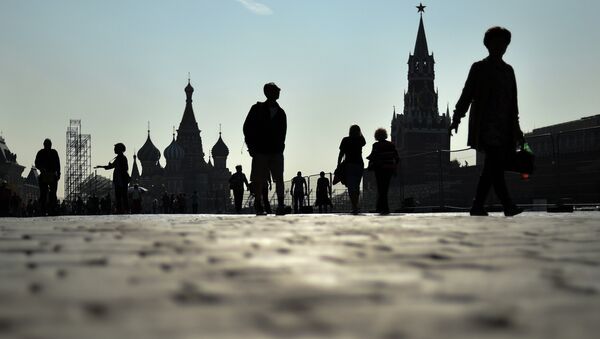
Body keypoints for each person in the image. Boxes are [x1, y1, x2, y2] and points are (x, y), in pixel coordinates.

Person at [449, 26, 524, 217]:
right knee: (494, 163)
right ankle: (507, 205)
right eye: (498, 42)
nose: (502, 46)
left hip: (505, 127)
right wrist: (457, 117)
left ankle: (478, 205)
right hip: (486, 126)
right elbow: (467, 94)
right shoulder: (479, 68)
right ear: (488, 44)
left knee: (493, 166)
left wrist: (517, 129)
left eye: (505, 43)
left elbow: (513, 103)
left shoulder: (509, 71)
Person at [243, 82, 287, 215]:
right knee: (258, 179)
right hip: (260, 150)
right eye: (276, 91)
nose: (278, 93)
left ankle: (280, 204)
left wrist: (281, 148)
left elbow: (283, 133)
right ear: (269, 93)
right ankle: (258, 203)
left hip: (275, 151)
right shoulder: (257, 109)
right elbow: (247, 128)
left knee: (279, 178)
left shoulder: (280, 113)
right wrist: (251, 146)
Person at [366, 128, 399, 215]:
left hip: (380, 169)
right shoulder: (391, 145)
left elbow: (373, 156)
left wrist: (369, 161)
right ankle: (381, 207)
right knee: (385, 188)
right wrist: (394, 167)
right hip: (389, 169)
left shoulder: (376, 145)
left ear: (376, 136)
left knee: (381, 189)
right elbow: (397, 157)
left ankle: (384, 208)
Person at [338, 125, 366, 214]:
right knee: (356, 186)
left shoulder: (345, 140)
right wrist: (360, 133)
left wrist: (338, 164)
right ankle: (355, 205)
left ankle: (354, 206)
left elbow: (341, 153)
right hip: (359, 164)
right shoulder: (360, 140)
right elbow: (364, 141)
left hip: (349, 165)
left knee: (351, 186)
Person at [95, 143, 130, 214]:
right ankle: (121, 210)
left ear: (119, 149)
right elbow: (112, 166)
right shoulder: (119, 158)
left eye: (115, 148)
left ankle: (125, 209)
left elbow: (125, 168)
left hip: (122, 179)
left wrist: (118, 168)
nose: (114, 150)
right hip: (119, 180)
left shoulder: (122, 158)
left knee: (123, 196)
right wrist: (101, 166)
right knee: (119, 196)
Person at [34, 138, 61, 216]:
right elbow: (36, 163)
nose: (47, 146)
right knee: (44, 193)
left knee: (51, 193)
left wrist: (58, 174)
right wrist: (41, 168)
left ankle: (51, 209)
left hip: (51, 174)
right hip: (45, 174)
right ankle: (45, 209)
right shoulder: (43, 153)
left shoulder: (49, 152)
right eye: (46, 145)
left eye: (48, 145)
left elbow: (58, 164)